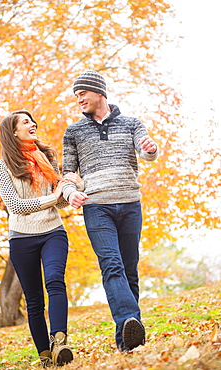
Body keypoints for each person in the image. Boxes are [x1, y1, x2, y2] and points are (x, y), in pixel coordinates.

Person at [62, 70, 159, 353]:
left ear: (99, 93)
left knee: (129, 271)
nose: (78, 99)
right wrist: (70, 193)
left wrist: (150, 149)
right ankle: (130, 320)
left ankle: (128, 342)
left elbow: (147, 150)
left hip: (130, 204)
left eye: (82, 94)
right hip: (96, 207)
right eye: (76, 96)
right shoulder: (74, 131)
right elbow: (67, 172)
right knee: (112, 266)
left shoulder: (131, 123)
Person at [0, 110, 83, 368]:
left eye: (32, 121)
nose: (32, 124)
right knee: (34, 301)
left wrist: (74, 189)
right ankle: (46, 357)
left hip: (53, 231)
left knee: (55, 280)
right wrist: (53, 199)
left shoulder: (46, 157)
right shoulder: (1, 166)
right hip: (22, 238)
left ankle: (59, 341)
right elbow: (14, 205)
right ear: (13, 131)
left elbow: (62, 202)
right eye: (25, 122)